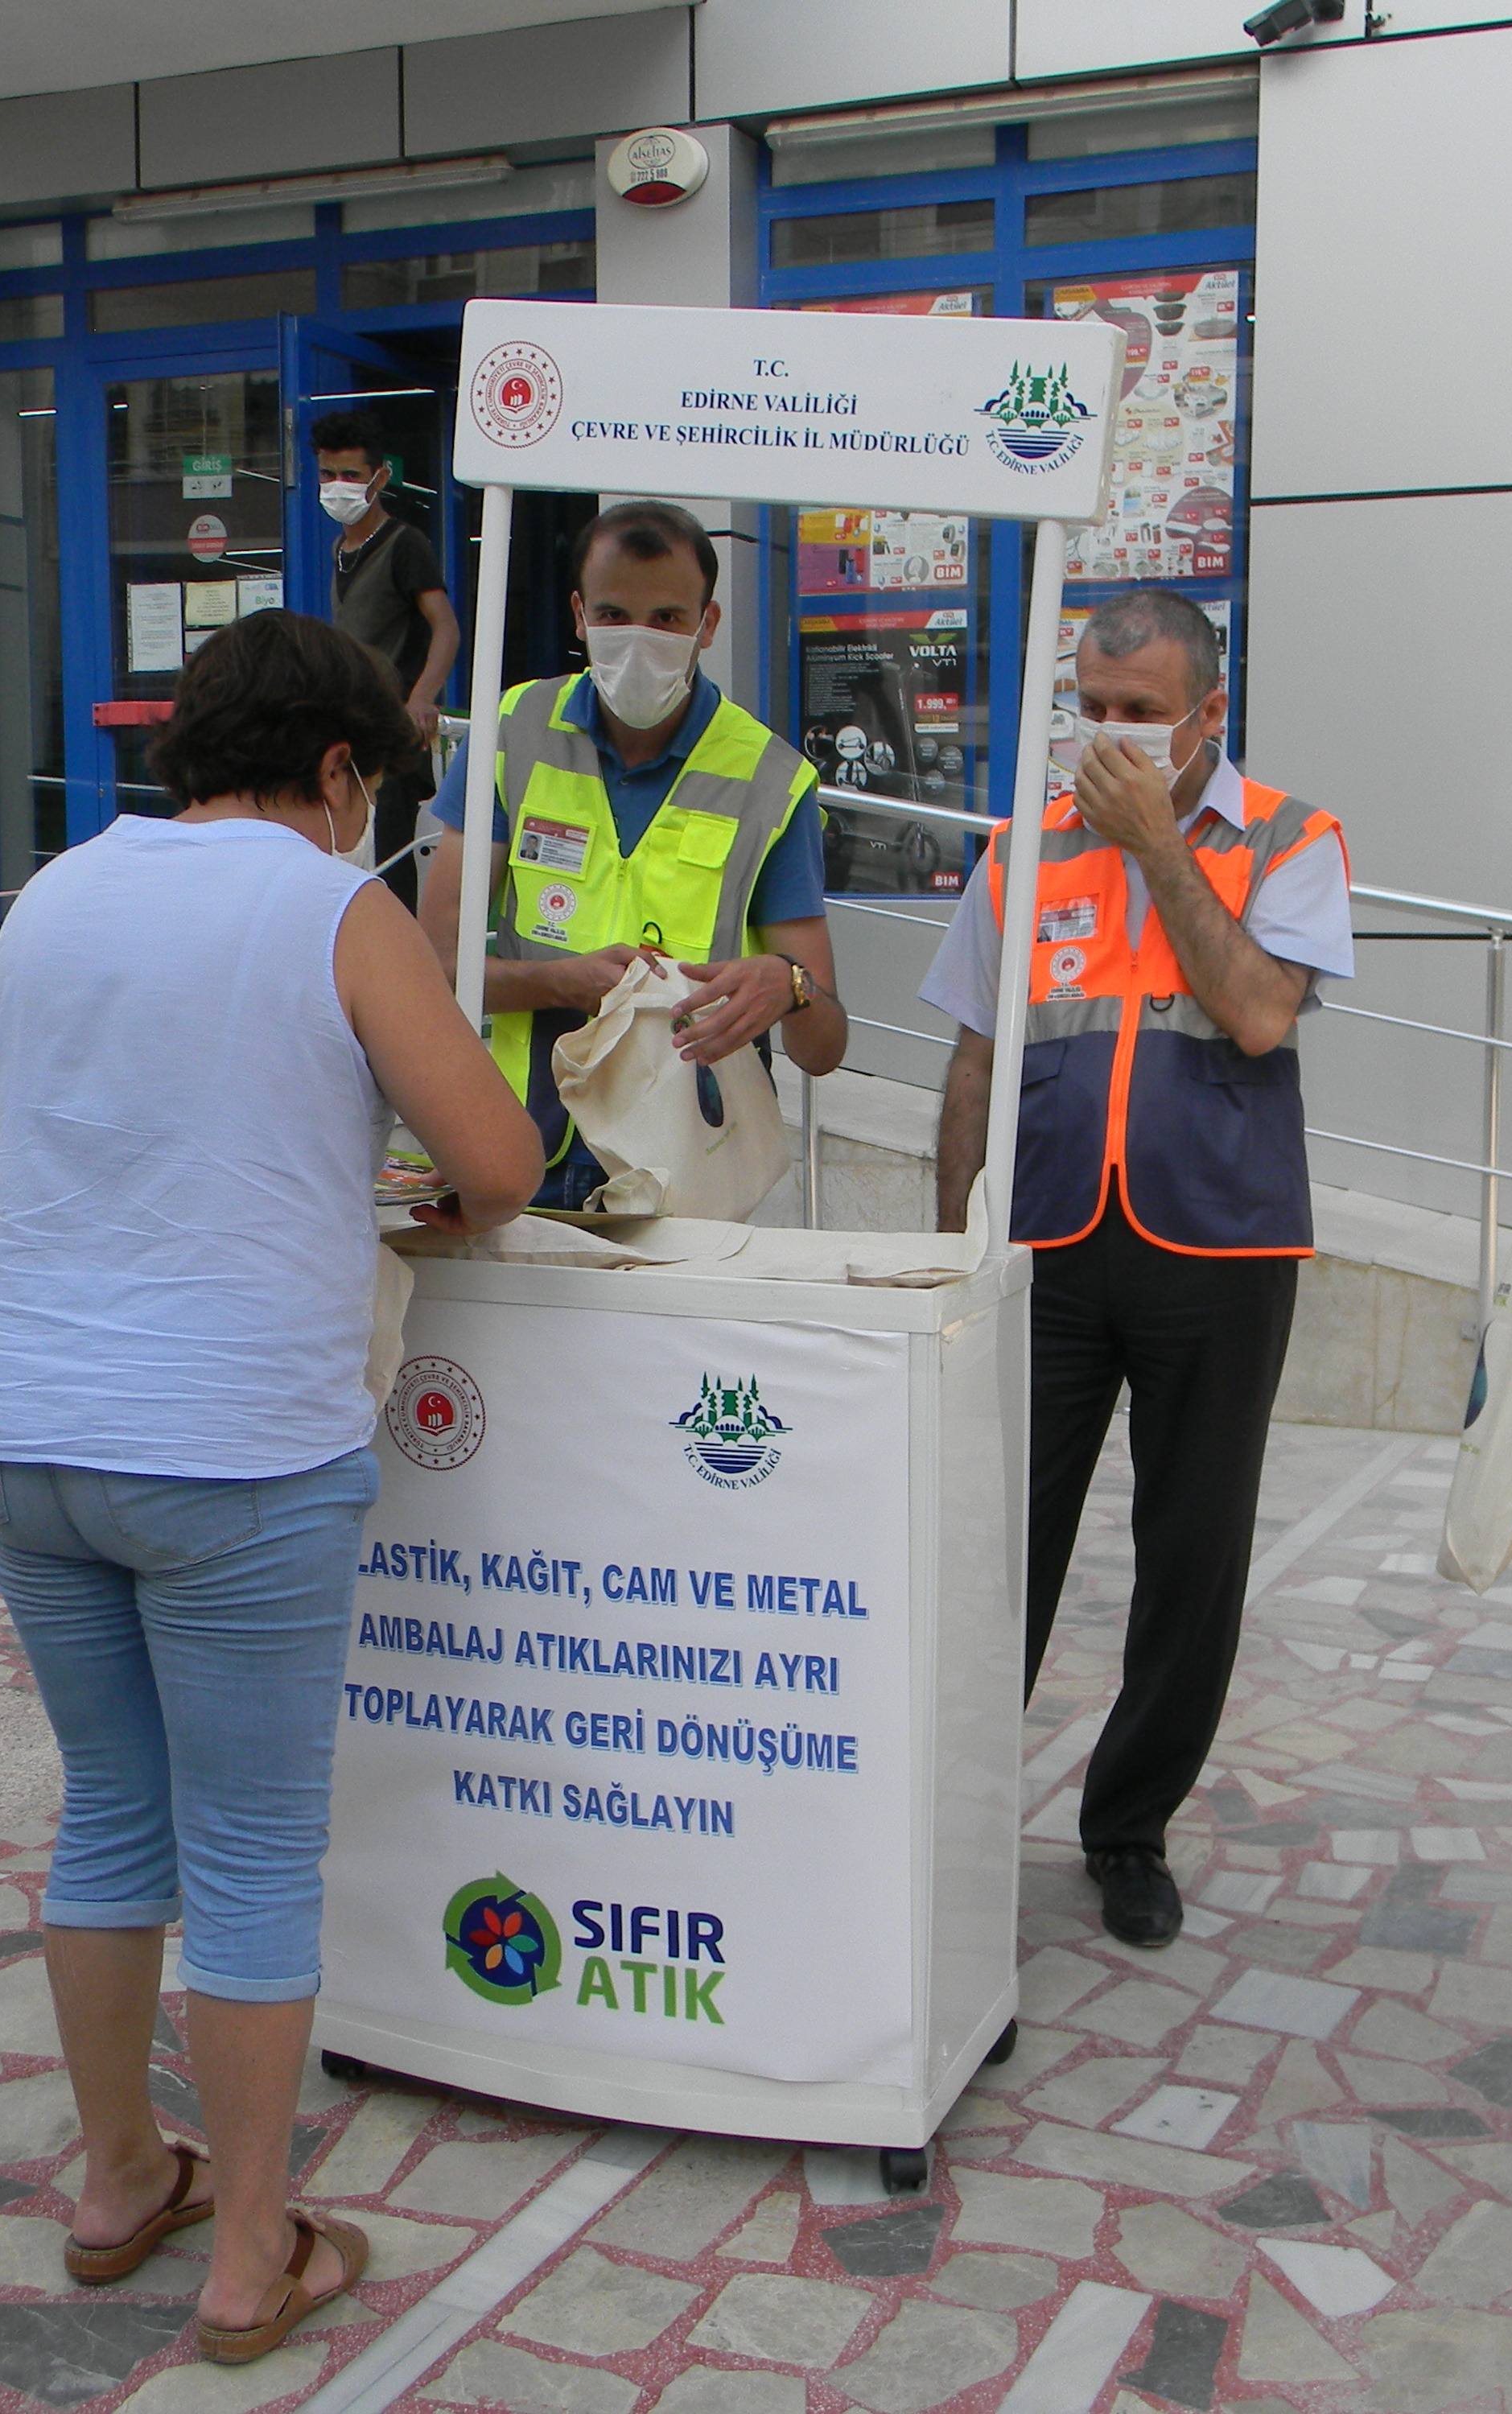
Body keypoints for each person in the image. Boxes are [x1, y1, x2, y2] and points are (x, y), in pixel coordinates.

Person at [0, 610, 540, 2365]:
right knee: (257, 1853)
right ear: (342, 773)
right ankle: (250, 2249)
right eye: (369, 789)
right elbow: (495, 1159)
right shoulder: (329, 905)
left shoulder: (51, 894)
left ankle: (126, 2181)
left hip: (31, 1431)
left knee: (110, 1815)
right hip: (235, 1448)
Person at [921, 588, 1353, 1949]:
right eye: (1090, 713)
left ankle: (1127, 1826)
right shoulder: (1020, 850)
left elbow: (1259, 1013)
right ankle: (961, 1818)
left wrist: (1163, 848)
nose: (1106, 741)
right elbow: (978, 1056)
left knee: (1193, 1550)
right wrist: (955, 1245)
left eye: (1139, 716)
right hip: (1047, 1235)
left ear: (1206, 716)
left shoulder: (1291, 836)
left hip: (1216, 1241)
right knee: (1001, 1544)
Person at [418, 498, 848, 1209]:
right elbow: (432, 970)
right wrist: (562, 983)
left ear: (707, 625)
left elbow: (823, 1048)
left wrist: (790, 985)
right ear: (580, 614)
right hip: (530, 1150)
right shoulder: (511, 733)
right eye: (615, 616)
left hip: (694, 1170)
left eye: (668, 619)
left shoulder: (772, 779)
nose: (638, 640)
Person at [313, 411, 458, 907]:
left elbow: (446, 627)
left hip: (395, 736)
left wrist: (421, 699)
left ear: (381, 478)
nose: (338, 487)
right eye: (328, 475)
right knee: (350, 860)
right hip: (351, 732)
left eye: (351, 476)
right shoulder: (338, 548)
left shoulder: (405, 545)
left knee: (393, 866)